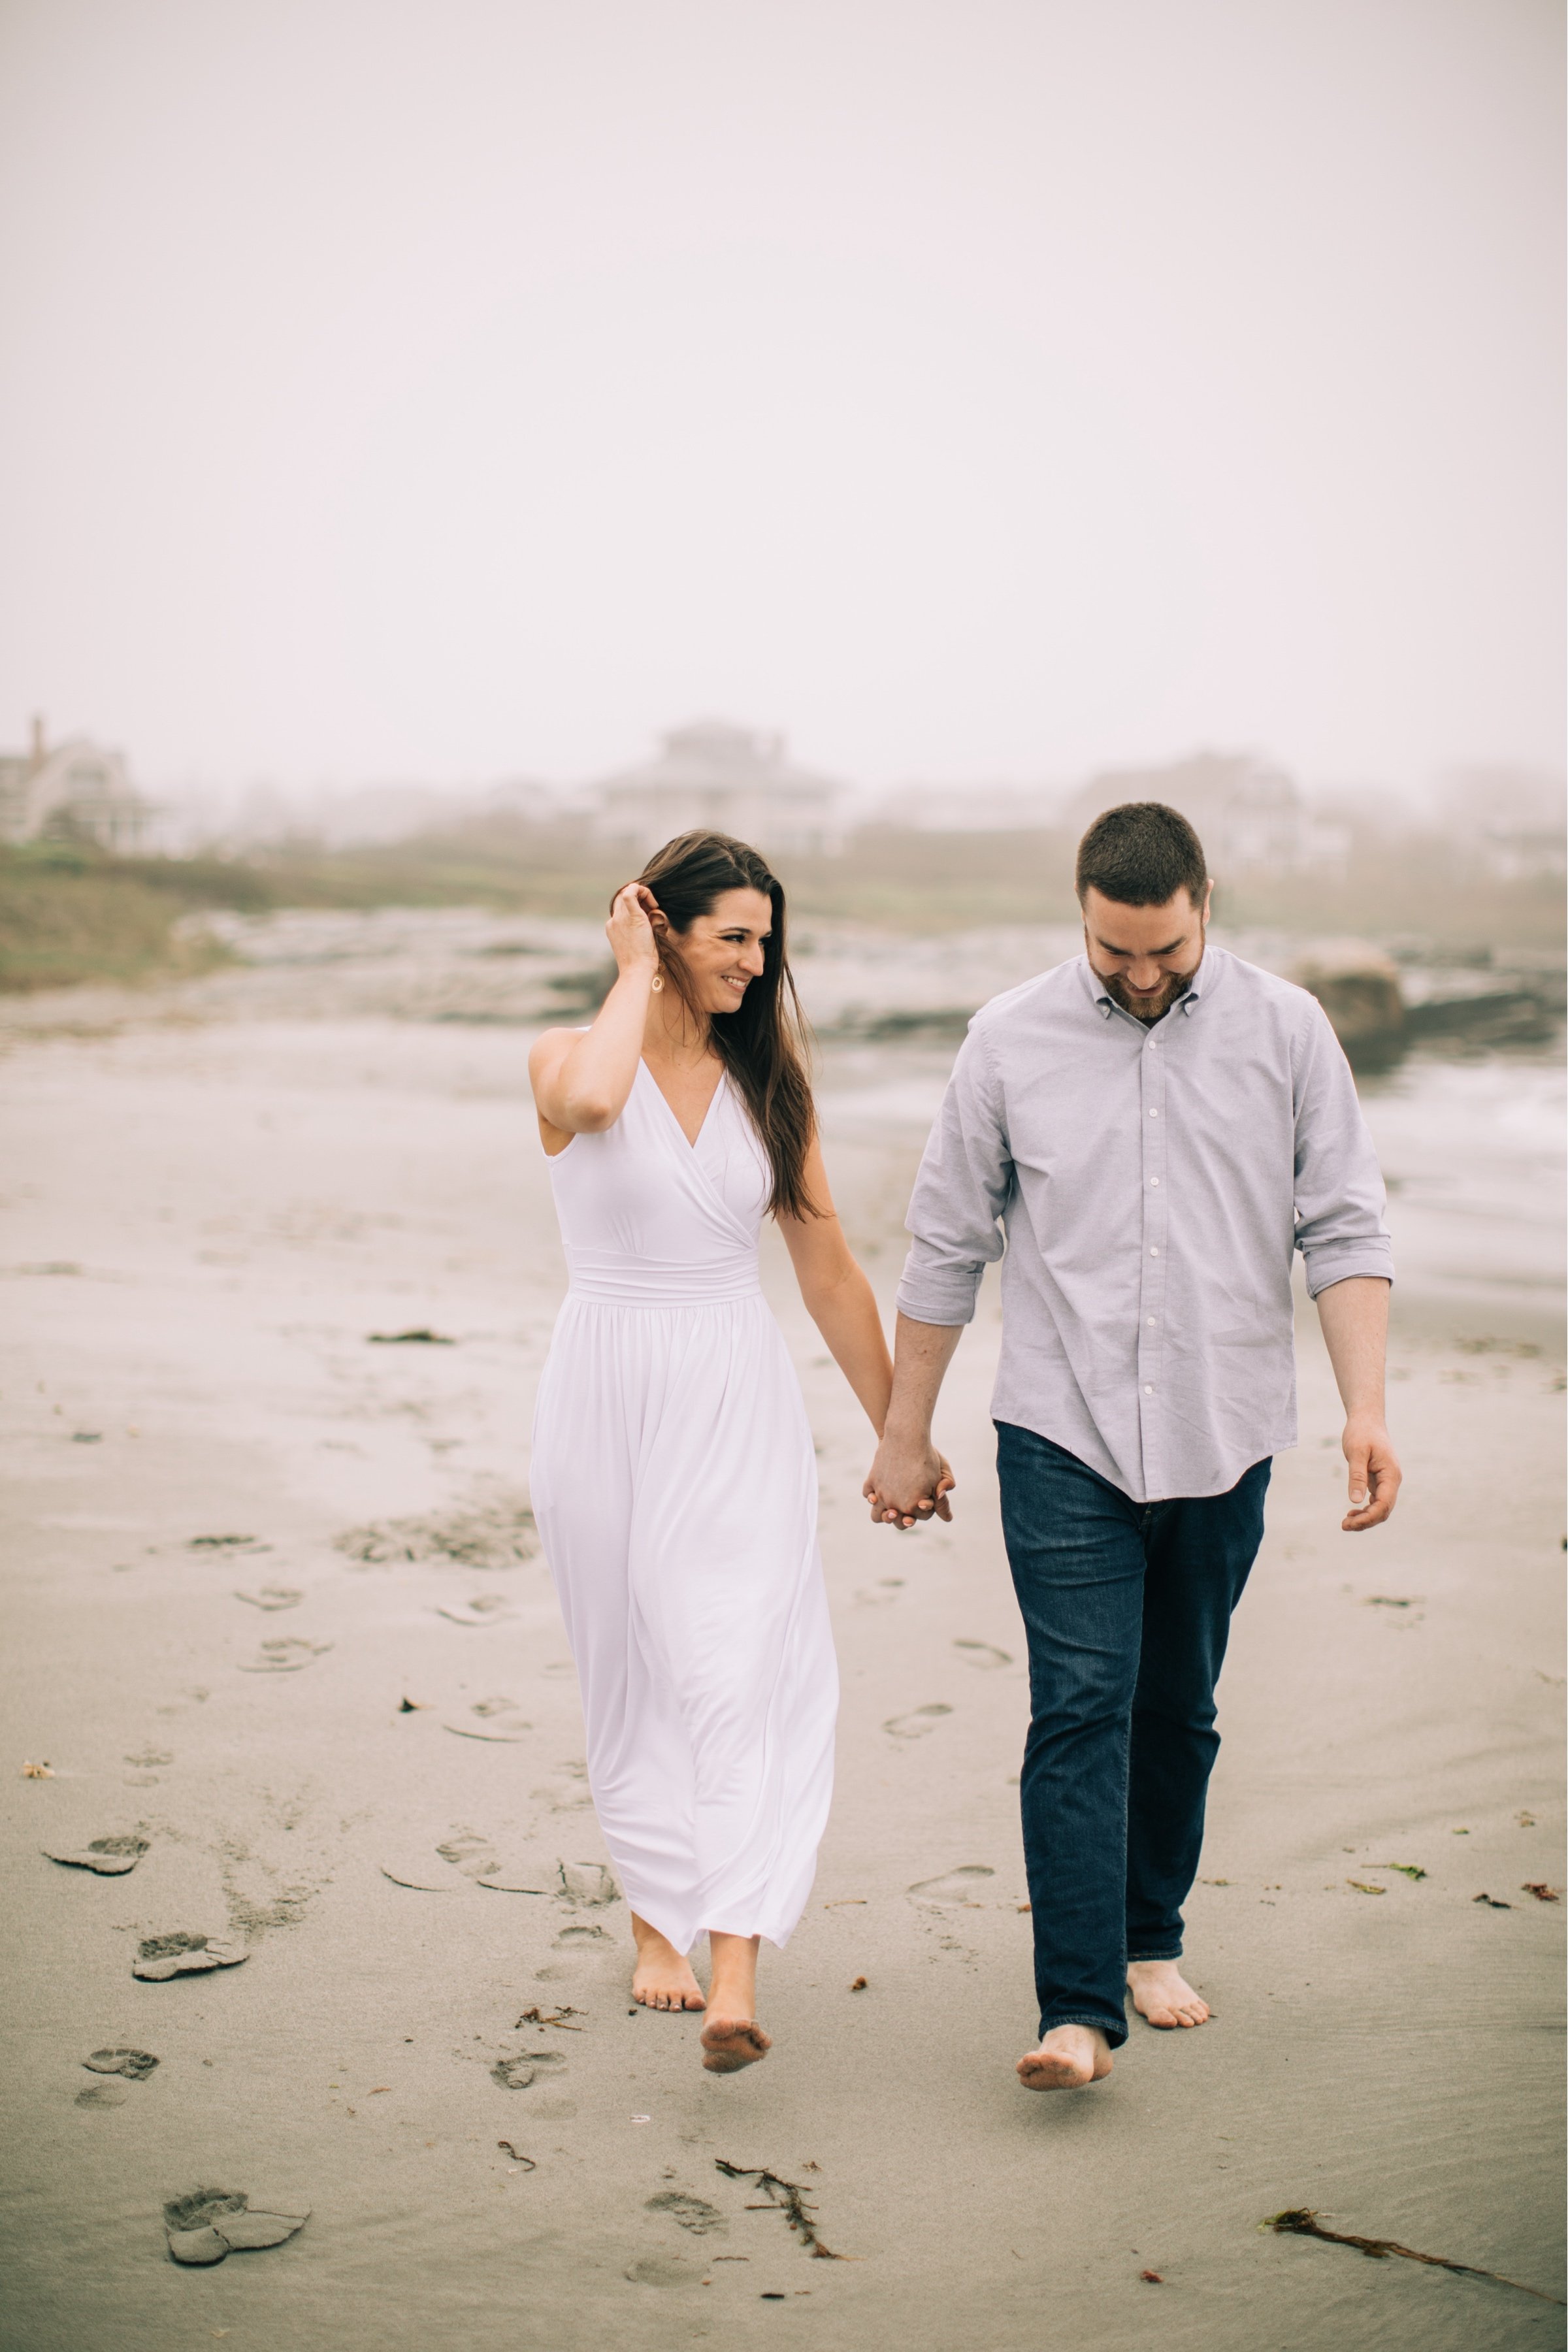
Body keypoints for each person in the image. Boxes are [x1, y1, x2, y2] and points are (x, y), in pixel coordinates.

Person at [865, 801, 1401, 2092]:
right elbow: (947, 1245)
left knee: (1177, 1704)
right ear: (1082, 914)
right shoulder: (1008, 1038)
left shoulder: (1289, 1031)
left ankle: (1152, 1936)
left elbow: (1344, 1229)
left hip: (1228, 1434)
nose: (1144, 977)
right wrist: (903, 1435)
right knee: (1082, 1704)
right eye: (1115, 954)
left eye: (1164, 950)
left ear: (1204, 904)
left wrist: (1365, 1409)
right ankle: (1075, 2011)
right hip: (1062, 1432)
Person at [529, 830, 906, 2072]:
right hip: (603, 1390)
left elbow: (831, 1273)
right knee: (631, 1665)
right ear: (662, 930)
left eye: (766, 939)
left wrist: (899, 1428)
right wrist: (632, 972)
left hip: (730, 1392)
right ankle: (657, 1925)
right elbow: (592, 1103)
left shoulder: (772, 1088)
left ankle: (734, 1966)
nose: (757, 961)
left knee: (734, 1661)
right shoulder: (564, 1060)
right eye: (731, 936)